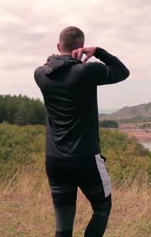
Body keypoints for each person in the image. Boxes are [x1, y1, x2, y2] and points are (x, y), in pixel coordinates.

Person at [34, 26, 129, 237]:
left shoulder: (40, 74)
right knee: (102, 208)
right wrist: (98, 51)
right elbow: (123, 72)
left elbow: (53, 66)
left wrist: (55, 59)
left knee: (63, 224)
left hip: (55, 160)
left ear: (59, 46)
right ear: (81, 47)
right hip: (85, 158)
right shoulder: (86, 71)